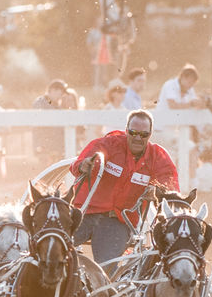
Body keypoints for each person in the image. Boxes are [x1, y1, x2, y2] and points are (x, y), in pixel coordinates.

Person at [70, 109, 179, 272]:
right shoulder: (108, 144)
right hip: (84, 214)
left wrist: (157, 191)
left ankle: (100, 294)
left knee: (106, 271)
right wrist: (84, 164)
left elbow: (170, 186)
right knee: (54, 248)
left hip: (117, 222)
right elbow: (81, 164)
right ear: (126, 130)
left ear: (150, 135)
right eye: (133, 132)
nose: (137, 138)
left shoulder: (157, 157)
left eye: (143, 134)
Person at [32, 79, 69, 165]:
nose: (62, 96)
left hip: (55, 147)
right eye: (61, 93)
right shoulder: (40, 102)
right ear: (53, 90)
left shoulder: (57, 105)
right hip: (44, 147)